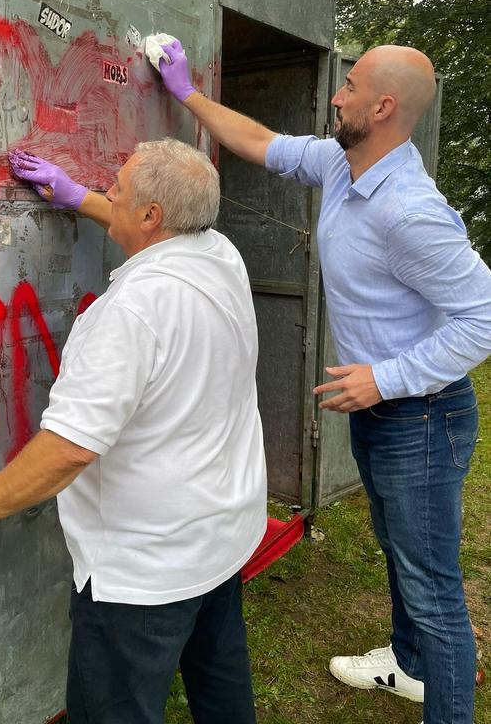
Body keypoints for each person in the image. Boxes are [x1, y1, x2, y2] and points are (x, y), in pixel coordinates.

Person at [156, 40, 491, 724]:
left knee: (432, 588)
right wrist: (185, 91)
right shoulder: (344, 164)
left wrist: (385, 379)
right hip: (389, 412)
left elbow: (483, 317)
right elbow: (260, 141)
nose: (337, 95)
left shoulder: (409, 210)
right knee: (401, 551)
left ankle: (446, 705)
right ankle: (409, 663)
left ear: (383, 106)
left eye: (351, 86)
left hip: (423, 418)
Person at [0, 138, 267, 724]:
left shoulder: (129, 311)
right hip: (221, 534)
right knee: (220, 686)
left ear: (153, 216)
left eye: (119, 188)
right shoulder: (219, 254)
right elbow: (156, 227)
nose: (108, 189)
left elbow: (69, 448)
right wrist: (79, 196)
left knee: (115, 711)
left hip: (145, 571)